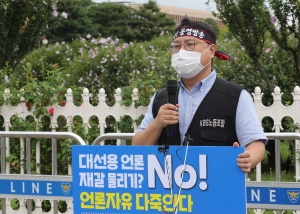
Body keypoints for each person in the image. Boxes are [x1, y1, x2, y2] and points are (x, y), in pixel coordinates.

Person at [132, 17, 267, 173]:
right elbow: (137, 148)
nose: (181, 52)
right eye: (176, 46)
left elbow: (256, 143)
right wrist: (157, 123)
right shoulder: (161, 98)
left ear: (211, 51)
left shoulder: (235, 96)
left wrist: (248, 158)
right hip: (168, 190)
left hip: (215, 188)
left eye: (190, 45)